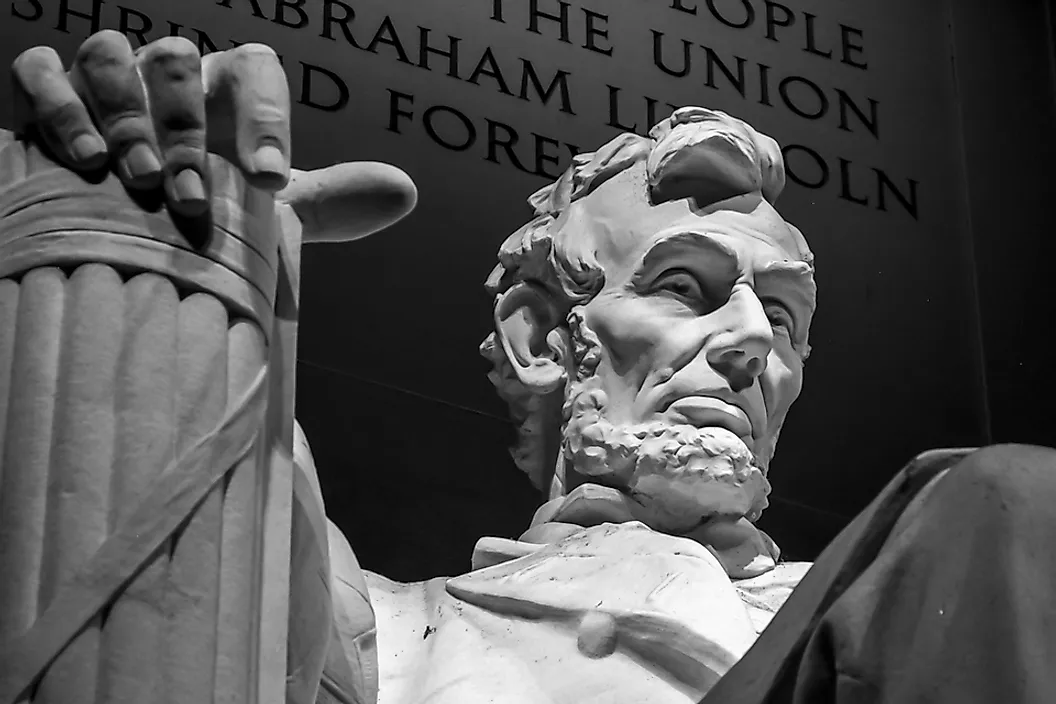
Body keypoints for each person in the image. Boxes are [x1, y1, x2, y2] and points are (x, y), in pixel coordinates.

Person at [8, 32, 1056, 704]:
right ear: (542, 338)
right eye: (687, 286)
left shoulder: (929, 586)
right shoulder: (387, 626)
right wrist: (162, 242)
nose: (755, 342)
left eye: (782, 314)